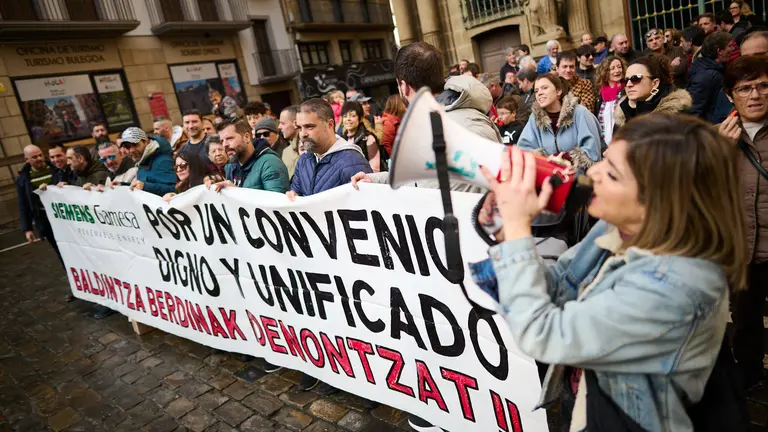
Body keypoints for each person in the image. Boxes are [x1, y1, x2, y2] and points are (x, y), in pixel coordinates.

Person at [474, 114, 746, 432]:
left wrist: (519, 230)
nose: (594, 173)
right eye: (603, 161)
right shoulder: (617, 228)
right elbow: (560, 288)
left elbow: (543, 334)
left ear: (658, 201)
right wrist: (508, 233)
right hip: (595, 402)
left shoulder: (674, 286)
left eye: (613, 174)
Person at [718, 55, 768, 392]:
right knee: (746, 324)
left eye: (763, 86)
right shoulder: (718, 136)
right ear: (730, 95)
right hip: (741, 254)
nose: (755, 95)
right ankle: (752, 382)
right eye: (745, 88)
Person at [288, 98, 372, 199]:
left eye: (309, 126)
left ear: (330, 124)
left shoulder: (352, 160)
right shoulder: (303, 160)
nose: (303, 134)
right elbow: (296, 194)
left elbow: (366, 204)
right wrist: (293, 196)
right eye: (300, 128)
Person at [517, 73, 602, 169]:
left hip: (581, 177)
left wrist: (565, 158)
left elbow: (593, 151)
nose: (539, 93)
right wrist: (544, 160)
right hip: (551, 177)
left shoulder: (580, 112)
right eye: (536, 91)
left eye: (544, 88)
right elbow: (524, 149)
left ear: (558, 91)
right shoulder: (534, 118)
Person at [614, 54, 692, 130]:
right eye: (626, 80)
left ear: (655, 83)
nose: (628, 84)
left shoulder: (677, 117)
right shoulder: (623, 114)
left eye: (635, 78)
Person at [211, 118, 289, 193]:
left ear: (247, 137)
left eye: (229, 138)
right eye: (222, 141)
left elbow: (276, 202)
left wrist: (237, 192)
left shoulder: (270, 163)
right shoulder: (231, 166)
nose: (225, 144)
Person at [16, 146, 63, 264]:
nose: (39, 158)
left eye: (40, 155)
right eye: (34, 157)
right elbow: (24, 204)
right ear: (27, 159)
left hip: (64, 216)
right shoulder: (23, 179)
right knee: (60, 251)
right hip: (45, 220)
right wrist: (27, 229)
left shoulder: (56, 168)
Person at [687, 31, 734, 124]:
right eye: (729, 46)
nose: (732, 49)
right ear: (719, 51)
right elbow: (693, 111)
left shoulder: (715, 69)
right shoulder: (707, 76)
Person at [119, 127, 176, 196]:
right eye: (127, 147)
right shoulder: (142, 160)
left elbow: (173, 189)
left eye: (135, 145)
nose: (131, 150)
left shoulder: (163, 160)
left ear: (146, 142)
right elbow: (142, 184)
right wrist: (122, 185)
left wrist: (145, 186)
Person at [340, 101, 382, 172]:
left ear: (360, 118)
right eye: (345, 116)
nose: (348, 119)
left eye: (353, 116)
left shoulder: (368, 138)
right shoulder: (342, 140)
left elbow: (375, 169)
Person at [594, 56, 627, 143]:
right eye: (612, 68)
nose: (617, 71)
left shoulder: (627, 90)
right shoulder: (600, 95)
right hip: (605, 144)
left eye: (619, 67)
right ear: (605, 72)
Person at [278, 105, 302, 177]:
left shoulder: (310, 148)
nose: (279, 127)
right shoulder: (286, 152)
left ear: (295, 124)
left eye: (283, 123)